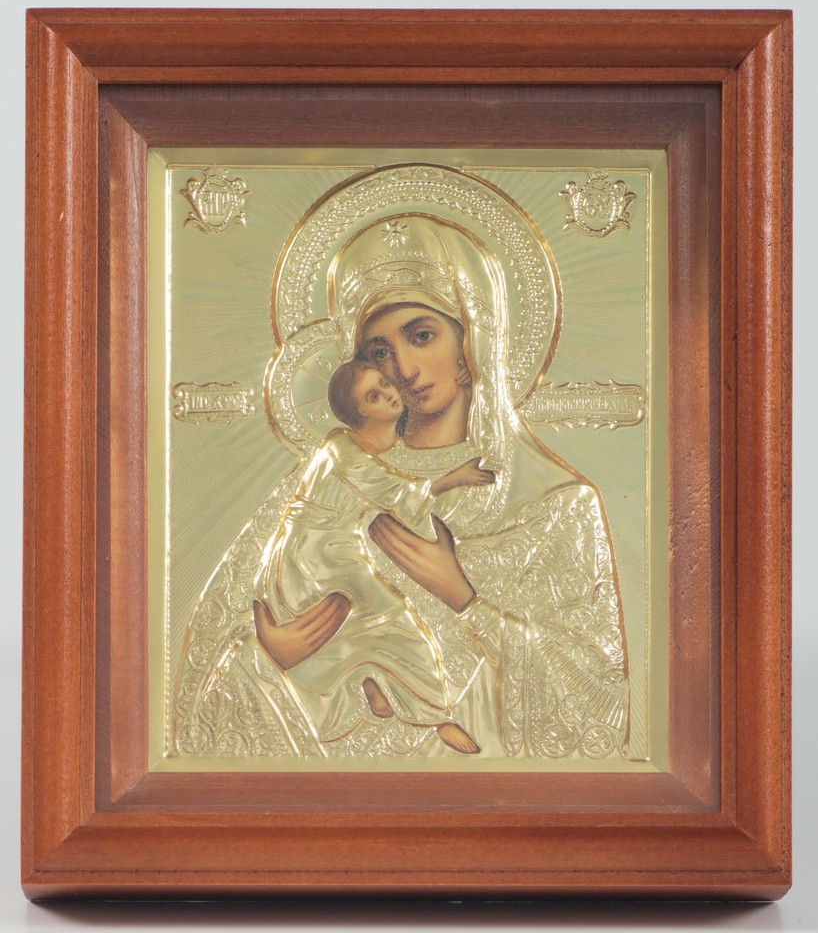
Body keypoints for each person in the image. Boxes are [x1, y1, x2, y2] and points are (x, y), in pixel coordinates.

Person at [173, 202, 630, 761]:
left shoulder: (554, 504)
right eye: (378, 352)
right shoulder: (328, 474)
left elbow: (595, 703)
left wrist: (462, 596)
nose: (404, 371)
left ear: (470, 341)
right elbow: (210, 676)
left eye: (422, 335)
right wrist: (271, 653)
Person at [252, 357, 493, 754]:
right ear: (358, 413)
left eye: (384, 384)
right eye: (374, 397)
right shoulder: (340, 448)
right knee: (390, 617)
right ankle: (435, 716)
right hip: (313, 558)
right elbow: (392, 492)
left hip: (337, 549)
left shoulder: (382, 445)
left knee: (378, 622)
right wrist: (453, 479)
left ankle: (376, 683)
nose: (388, 394)